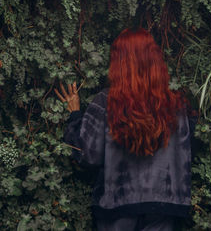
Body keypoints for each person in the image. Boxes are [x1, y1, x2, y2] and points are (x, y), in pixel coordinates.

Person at [55, 27, 197, 231]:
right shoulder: (176, 105)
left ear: (118, 63)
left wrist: (75, 115)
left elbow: (87, 155)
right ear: (155, 60)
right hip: (164, 206)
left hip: (117, 207)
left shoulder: (106, 101)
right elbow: (185, 153)